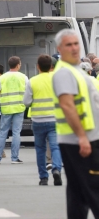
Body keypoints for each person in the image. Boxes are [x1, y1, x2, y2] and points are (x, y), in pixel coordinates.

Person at [52, 28, 99, 218]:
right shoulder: (64, 73)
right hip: (81, 140)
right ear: (59, 49)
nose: (74, 48)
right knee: (94, 188)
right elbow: (67, 106)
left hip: (82, 138)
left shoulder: (76, 70)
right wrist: (82, 137)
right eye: (68, 45)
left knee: (78, 192)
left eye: (76, 44)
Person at [24, 54, 62, 186]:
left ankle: (43, 177)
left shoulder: (32, 81)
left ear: (38, 66)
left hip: (38, 120)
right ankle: (56, 168)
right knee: (55, 147)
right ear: (52, 66)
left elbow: (26, 102)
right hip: (55, 119)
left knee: (40, 149)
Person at [0, 56, 28, 164]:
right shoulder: (23, 77)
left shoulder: (2, 78)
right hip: (19, 108)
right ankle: (14, 158)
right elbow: (28, 92)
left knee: (2, 132)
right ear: (18, 65)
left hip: (6, 108)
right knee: (16, 132)